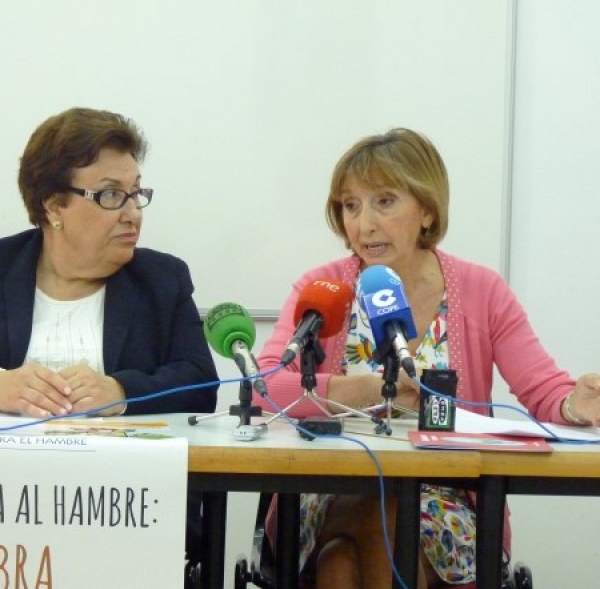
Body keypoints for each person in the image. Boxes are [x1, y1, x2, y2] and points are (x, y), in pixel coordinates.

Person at [254, 127, 600, 588]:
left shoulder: (481, 291)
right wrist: (360, 389)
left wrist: (575, 404)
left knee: (348, 557)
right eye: (350, 205)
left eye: (384, 201)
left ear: (427, 209)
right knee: (374, 524)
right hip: (332, 487)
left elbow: (543, 390)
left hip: (449, 495)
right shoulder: (323, 289)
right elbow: (263, 388)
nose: (364, 224)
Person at [0, 107, 219, 587]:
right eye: (110, 195)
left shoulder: (161, 280)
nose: (132, 212)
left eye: (136, 193)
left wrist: (121, 391)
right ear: (53, 206)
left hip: (131, 517)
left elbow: (201, 383)